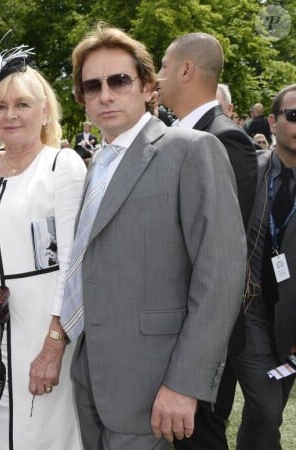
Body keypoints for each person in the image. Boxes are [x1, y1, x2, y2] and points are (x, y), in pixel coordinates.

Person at [60, 23, 247, 450]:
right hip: (92, 378)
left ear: (147, 87)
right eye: (92, 86)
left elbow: (220, 275)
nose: (105, 94)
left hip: (155, 382)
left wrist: (185, 384)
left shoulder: (192, 150)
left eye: (119, 80)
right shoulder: (94, 166)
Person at [0, 39, 86, 449]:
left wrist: (53, 346)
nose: (11, 115)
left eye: (23, 104)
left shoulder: (62, 166)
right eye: (0, 105)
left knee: (43, 434)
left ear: (44, 110)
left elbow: (74, 264)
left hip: (41, 330)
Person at [157, 31, 258, 450]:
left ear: (185, 70)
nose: (158, 77)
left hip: (200, 330)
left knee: (200, 437)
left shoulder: (225, 138)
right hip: (164, 322)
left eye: (163, 66)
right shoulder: (172, 134)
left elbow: (220, 254)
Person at [233, 84, 296, 450]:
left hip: (290, 322)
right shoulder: (248, 174)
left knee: (264, 414)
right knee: (269, 408)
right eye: (293, 115)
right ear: (272, 121)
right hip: (248, 312)